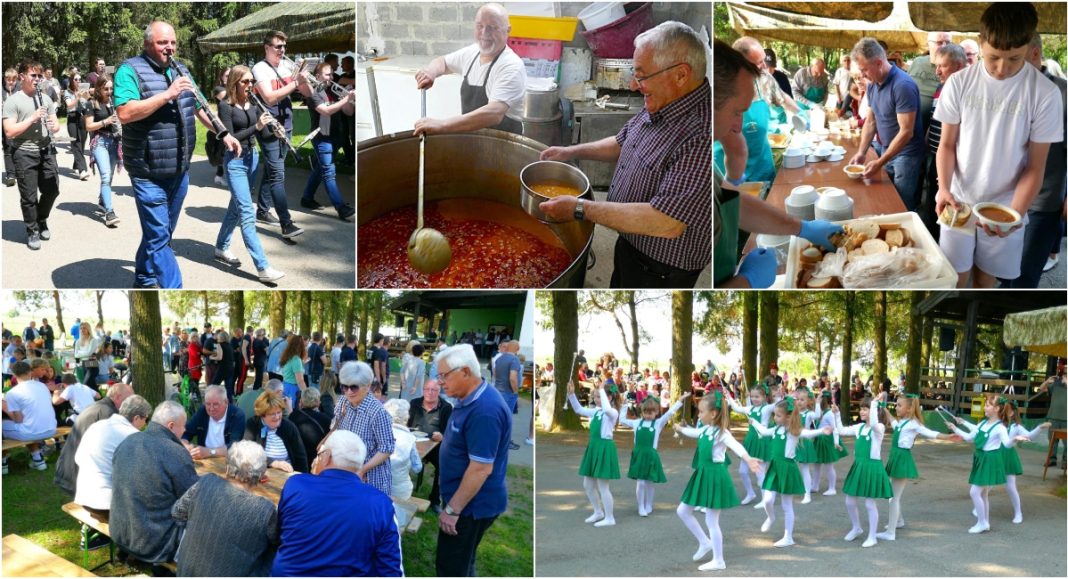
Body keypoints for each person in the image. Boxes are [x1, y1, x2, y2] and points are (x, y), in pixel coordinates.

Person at [538, 22, 711, 288]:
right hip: (631, 242)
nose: (633, 85)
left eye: (641, 75)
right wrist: (569, 151)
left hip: (661, 268)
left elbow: (667, 222)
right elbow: (623, 142)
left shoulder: (702, 136)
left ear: (680, 75)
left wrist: (579, 208)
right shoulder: (663, 102)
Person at [934, 3, 1062, 288]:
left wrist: (1014, 215)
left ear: (1030, 48)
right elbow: (947, 145)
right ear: (981, 44)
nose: (1002, 68)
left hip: (1006, 204)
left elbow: (1035, 166)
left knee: (985, 278)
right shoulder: (959, 83)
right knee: (953, 278)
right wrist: (943, 187)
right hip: (959, 200)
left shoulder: (1045, 94)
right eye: (993, 58)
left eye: (1015, 59)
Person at [116, 21, 240, 287]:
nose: (169, 48)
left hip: (179, 170)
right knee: (160, 236)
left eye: (172, 42)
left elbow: (199, 106)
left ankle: (144, 277)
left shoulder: (180, 69)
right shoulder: (130, 71)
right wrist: (167, 94)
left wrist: (223, 133)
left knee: (160, 233)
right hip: (147, 171)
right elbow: (125, 113)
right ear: (148, 44)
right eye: (163, 43)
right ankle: (175, 288)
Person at [712, 40, 841, 288]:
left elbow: (732, 203)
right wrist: (746, 282)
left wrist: (802, 228)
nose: (738, 127)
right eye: (737, 112)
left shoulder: (711, 173)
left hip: (757, 170)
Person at [271, 429, 403, 576]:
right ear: (359, 464)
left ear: (326, 457)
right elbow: (392, 569)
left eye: (320, 455)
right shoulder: (381, 504)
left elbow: (280, 534)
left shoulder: (295, 485)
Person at [434, 344, 511, 577]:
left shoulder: (485, 410)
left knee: (451, 568)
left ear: (465, 371)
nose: (440, 382)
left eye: (444, 376)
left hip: (470, 508)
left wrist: (452, 510)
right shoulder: (468, 397)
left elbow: (480, 469)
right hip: (466, 504)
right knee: (463, 562)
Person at [673, 392, 762, 571]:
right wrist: (680, 429)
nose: (699, 415)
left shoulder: (722, 432)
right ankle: (704, 542)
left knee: (711, 521)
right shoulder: (705, 429)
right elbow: (694, 432)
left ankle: (719, 560)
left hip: (715, 476)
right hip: (703, 474)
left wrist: (748, 458)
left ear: (713, 414)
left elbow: (737, 446)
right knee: (683, 510)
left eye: (701, 412)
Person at [215, 66, 286, 283]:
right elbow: (232, 137)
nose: (250, 85)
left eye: (251, 81)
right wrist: (257, 125)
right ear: (235, 82)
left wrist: (275, 132)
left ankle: (220, 247)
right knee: (247, 212)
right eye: (245, 81)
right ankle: (263, 267)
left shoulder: (253, 104)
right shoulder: (225, 107)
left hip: (252, 158)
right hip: (235, 161)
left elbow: (263, 134)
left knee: (235, 207)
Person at [1007, 33, 1067, 288]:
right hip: (1003, 197)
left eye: (1013, 59)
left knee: (1024, 275)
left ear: (1033, 54)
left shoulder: (1063, 94)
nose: (1004, 68)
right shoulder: (1007, 88)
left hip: (1043, 202)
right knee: (1003, 268)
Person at [171, 441, 279, 577]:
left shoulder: (205, 482)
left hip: (187, 572)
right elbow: (278, 542)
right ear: (261, 476)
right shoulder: (266, 510)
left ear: (227, 468)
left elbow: (177, 512)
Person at [414, 3, 524, 136]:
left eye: (493, 27)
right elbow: (442, 62)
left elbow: (494, 113)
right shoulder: (472, 53)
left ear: (507, 30)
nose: (484, 33)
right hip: (472, 142)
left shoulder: (511, 65)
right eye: (480, 26)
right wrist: (431, 71)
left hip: (503, 146)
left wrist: (442, 124)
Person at [110, 401, 198, 566]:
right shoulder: (175, 452)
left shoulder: (128, 441)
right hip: (157, 543)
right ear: (171, 426)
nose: (185, 430)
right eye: (183, 426)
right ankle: (164, 569)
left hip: (121, 530)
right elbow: (195, 500)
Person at [847, 37, 925, 211]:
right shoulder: (873, 85)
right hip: (886, 149)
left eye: (864, 69)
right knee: (887, 199)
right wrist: (861, 152)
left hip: (907, 155)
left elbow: (906, 132)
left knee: (902, 204)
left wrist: (880, 161)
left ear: (879, 63)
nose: (862, 75)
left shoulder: (902, 85)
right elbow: (870, 121)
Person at [745, 396, 831, 548]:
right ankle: (770, 518)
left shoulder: (794, 432)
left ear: (788, 416)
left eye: (778, 415)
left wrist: (822, 430)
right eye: (775, 415)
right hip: (775, 467)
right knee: (767, 500)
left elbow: (807, 434)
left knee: (787, 505)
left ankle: (788, 536)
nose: (775, 418)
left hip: (788, 469)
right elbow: (764, 432)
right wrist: (754, 422)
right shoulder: (776, 429)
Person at [250, 30, 305, 238]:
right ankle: (286, 224)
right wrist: (295, 82)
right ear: (266, 48)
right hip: (270, 126)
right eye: (277, 47)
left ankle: (263, 211)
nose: (282, 51)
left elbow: (305, 92)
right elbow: (270, 97)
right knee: (277, 175)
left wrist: (305, 79)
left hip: (287, 124)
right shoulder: (259, 68)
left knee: (273, 169)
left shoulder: (286, 65)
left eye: (284, 47)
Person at [2, 60, 62, 250]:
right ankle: (32, 229)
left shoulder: (45, 99)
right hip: (23, 152)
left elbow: (56, 123)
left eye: (39, 76)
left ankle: (41, 218)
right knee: (28, 196)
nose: (37, 79)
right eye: (33, 75)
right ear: (22, 77)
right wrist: (32, 118)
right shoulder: (13, 101)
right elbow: (9, 131)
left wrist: (55, 125)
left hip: (45, 150)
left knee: (52, 189)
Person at [877, 394, 950, 540]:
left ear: (909, 408)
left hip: (902, 459)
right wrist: (884, 409)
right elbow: (893, 421)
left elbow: (931, 433)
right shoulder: (903, 422)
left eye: (899, 405)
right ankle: (899, 521)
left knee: (893, 497)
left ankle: (890, 533)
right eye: (896, 405)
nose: (896, 407)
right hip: (896, 457)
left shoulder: (914, 424)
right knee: (893, 495)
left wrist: (949, 437)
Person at [945, 394, 1018, 534]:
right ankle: (985, 522)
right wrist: (954, 428)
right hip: (981, 459)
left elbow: (1007, 444)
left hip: (990, 460)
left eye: (988, 405)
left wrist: (1014, 439)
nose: (985, 407)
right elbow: (969, 438)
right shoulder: (982, 424)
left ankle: (982, 522)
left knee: (974, 492)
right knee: (983, 494)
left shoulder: (1000, 428)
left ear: (997, 409)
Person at [831, 394, 894, 548]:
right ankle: (856, 527)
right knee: (849, 500)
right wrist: (837, 413)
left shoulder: (878, 428)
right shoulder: (859, 427)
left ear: (874, 411)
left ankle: (872, 536)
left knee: (869, 504)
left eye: (865, 409)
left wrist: (873, 404)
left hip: (872, 468)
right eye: (861, 409)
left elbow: (873, 423)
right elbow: (841, 430)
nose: (861, 412)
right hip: (859, 466)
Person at [920, 43, 968, 240]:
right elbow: (935, 119)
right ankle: (933, 237)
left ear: (958, 66)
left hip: (950, 161)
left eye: (943, 66)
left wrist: (948, 170)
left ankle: (940, 242)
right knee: (932, 201)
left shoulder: (965, 90)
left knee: (943, 206)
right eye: (936, 65)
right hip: (934, 153)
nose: (937, 71)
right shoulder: (942, 86)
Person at [73, 395, 151, 512]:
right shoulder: (133, 436)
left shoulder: (97, 425)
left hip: (83, 496)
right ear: (136, 418)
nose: (145, 424)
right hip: (107, 504)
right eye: (146, 419)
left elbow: (78, 458)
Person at [53, 382, 133, 496]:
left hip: (67, 469)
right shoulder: (108, 414)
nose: (130, 404)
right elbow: (110, 451)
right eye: (129, 399)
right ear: (118, 397)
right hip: (76, 475)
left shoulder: (99, 406)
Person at [618, 392, 688, 517]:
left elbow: (669, 413)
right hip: (639, 455)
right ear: (642, 411)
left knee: (650, 482)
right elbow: (622, 420)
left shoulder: (658, 423)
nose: (648, 415)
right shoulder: (636, 423)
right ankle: (641, 506)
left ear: (656, 412)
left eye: (651, 413)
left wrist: (680, 401)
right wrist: (623, 406)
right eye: (646, 412)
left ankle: (649, 504)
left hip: (651, 455)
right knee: (641, 482)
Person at [300, 62, 356, 220]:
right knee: (329, 173)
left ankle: (306, 198)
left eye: (331, 74)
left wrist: (349, 98)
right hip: (321, 137)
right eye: (327, 74)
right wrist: (346, 100)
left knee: (321, 169)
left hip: (336, 136)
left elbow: (349, 112)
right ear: (317, 76)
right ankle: (341, 208)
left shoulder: (333, 89)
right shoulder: (312, 92)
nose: (331, 77)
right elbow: (325, 110)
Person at [332, 361, 395, 495]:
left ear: (367, 386)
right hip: (346, 473)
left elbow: (387, 448)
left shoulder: (378, 413)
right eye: (344, 387)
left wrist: (362, 470)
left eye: (354, 387)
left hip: (371, 478)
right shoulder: (343, 402)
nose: (348, 392)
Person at [565, 380, 619, 527]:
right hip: (593, 447)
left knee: (603, 486)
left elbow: (608, 410)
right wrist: (571, 395)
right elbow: (578, 410)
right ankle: (598, 512)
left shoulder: (613, 412)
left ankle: (610, 518)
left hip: (604, 448)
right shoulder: (596, 412)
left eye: (599, 396)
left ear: (609, 398)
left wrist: (602, 390)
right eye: (595, 397)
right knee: (587, 484)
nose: (596, 399)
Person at [1000, 399, 1051, 524]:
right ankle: (980, 507)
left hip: (1008, 457)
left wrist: (1040, 428)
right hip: (994, 456)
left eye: (1005, 410)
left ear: (1012, 413)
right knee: (987, 484)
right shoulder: (995, 424)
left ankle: (1018, 513)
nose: (1001, 412)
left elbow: (1029, 436)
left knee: (1010, 487)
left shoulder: (1015, 427)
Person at [1, 361, 57, 474]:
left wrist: (5, 407)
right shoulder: (42, 386)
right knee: (30, 424)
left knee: (4, 425)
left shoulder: (12, 393)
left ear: (14, 374)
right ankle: (38, 460)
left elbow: (18, 420)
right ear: (30, 372)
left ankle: (3, 464)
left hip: (32, 432)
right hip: (51, 429)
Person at [408, 379, 451, 510]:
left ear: (439, 392)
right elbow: (406, 425)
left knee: (443, 466)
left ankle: (435, 499)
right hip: (413, 444)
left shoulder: (445, 407)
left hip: (434, 446)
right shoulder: (414, 403)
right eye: (427, 389)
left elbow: (448, 433)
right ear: (423, 389)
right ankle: (400, 492)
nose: (430, 393)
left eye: (434, 390)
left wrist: (442, 436)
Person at [727, 382, 773, 504]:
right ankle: (750, 493)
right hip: (750, 441)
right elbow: (737, 408)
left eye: (757, 397)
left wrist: (779, 396)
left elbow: (777, 405)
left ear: (764, 397)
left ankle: (765, 499)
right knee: (742, 471)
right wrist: (729, 397)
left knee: (759, 472)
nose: (754, 399)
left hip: (761, 442)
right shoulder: (750, 409)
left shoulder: (766, 408)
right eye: (752, 396)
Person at [244, 390, 308, 473]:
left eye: (279, 412)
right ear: (262, 415)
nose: (277, 417)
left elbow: (301, 458)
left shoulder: (289, 427)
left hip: (286, 475)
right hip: (260, 473)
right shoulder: (253, 424)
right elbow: (247, 451)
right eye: (272, 414)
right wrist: (273, 463)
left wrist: (302, 479)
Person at [182, 385, 247, 459]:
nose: (211, 408)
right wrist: (185, 444)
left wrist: (210, 452)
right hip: (204, 459)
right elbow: (186, 432)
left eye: (215, 404)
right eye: (208, 404)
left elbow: (234, 446)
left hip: (227, 459)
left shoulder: (237, 415)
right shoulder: (202, 411)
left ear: (226, 402)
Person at [909, 32, 952, 131]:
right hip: (909, 127)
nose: (945, 46)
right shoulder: (918, 62)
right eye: (939, 42)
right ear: (928, 44)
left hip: (934, 130)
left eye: (948, 42)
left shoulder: (953, 69)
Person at [383, 398, 423, 500]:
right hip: (400, 492)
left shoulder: (378, 432)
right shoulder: (410, 438)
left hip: (376, 488)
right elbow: (417, 468)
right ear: (406, 417)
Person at [493, 340, 521, 450]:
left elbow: (495, 373)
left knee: (498, 416)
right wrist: (515, 391)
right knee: (507, 418)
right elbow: (512, 377)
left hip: (498, 390)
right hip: (508, 392)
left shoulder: (499, 358)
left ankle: (498, 439)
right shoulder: (514, 359)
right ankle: (506, 442)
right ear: (517, 349)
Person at [289, 386, 329, 464]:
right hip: (316, 460)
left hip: (297, 459)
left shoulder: (293, 416)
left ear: (301, 401)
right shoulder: (326, 419)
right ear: (318, 402)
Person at [63, 71, 90, 180]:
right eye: (76, 79)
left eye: (80, 79)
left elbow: (88, 104)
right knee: (75, 142)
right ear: (71, 81)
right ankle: (82, 170)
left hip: (82, 118)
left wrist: (87, 96)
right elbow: (69, 105)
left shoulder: (83, 91)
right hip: (72, 118)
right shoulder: (67, 92)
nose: (78, 81)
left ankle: (76, 164)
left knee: (82, 142)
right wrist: (77, 97)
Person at [1038, 366, 1066, 466]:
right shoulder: (1056, 383)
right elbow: (1041, 388)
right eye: (1065, 366)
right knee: (1052, 440)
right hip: (1053, 416)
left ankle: (1066, 462)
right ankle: (1051, 459)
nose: (1066, 367)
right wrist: (1047, 381)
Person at [279, 334, 307, 409]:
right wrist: (306, 394)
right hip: (293, 390)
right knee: (292, 413)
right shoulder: (296, 359)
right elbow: (300, 381)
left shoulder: (287, 357)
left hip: (285, 386)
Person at [211, 329, 236, 401]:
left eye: (218, 337)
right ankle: (230, 404)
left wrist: (211, 357)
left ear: (221, 338)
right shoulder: (230, 345)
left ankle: (212, 399)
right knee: (229, 388)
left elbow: (219, 357)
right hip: (230, 368)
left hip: (222, 368)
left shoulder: (219, 345)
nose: (217, 339)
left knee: (214, 386)